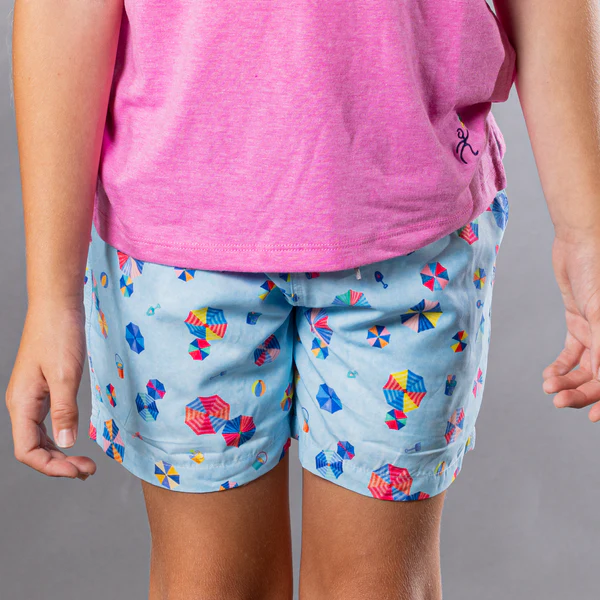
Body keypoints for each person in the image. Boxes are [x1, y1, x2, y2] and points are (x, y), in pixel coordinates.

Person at [6, 1, 600, 598]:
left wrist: (586, 232)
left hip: (411, 218)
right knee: (211, 585)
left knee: (379, 587)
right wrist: (50, 296)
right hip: (176, 237)